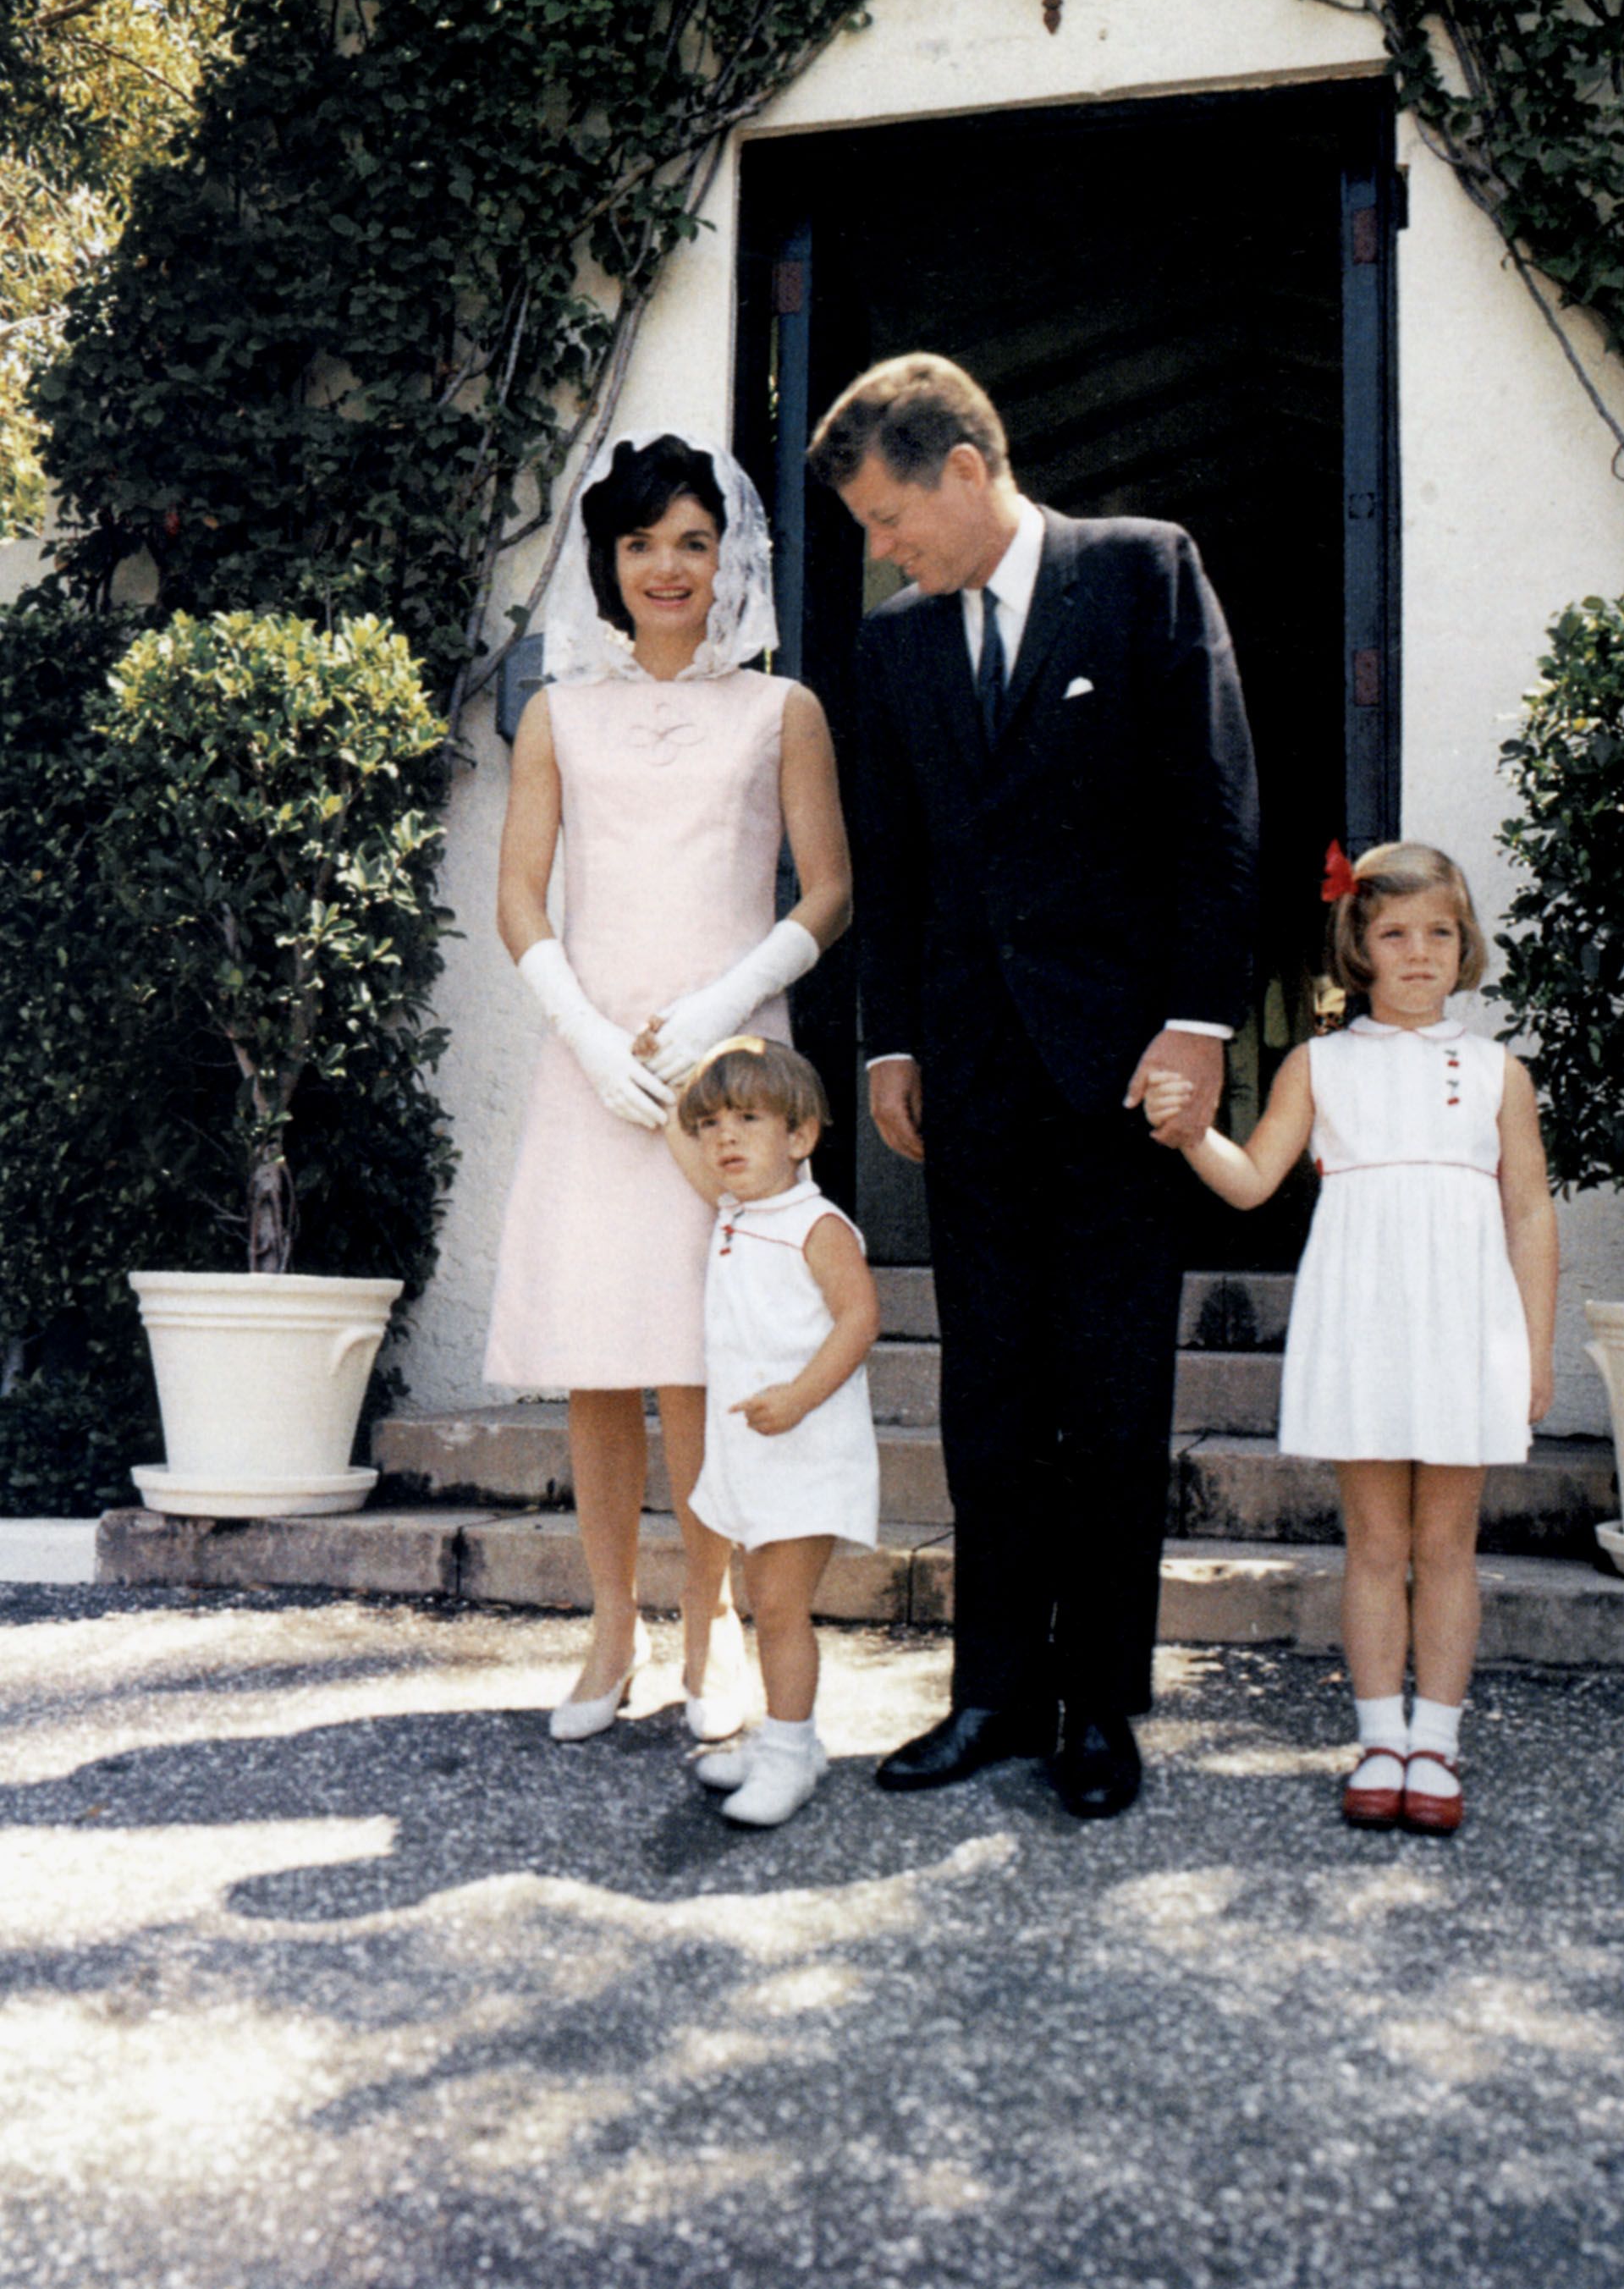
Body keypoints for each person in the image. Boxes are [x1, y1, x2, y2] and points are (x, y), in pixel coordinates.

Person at [811, 351, 1258, 1821]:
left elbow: (1215, 812)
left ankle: (1097, 1710)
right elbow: (901, 856)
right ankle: (994, 1693)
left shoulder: (1141, 573)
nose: (881, 552)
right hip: (972, 1071)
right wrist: (888, 1040)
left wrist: (1200, 1024)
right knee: (989, 1392)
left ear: (962, 468)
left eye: (886, 518)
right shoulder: (894, 647)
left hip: (1126, 1069)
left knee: (1112, 1395)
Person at [487, 431, 851, 1744]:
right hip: (600, 1065)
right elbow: (520, 897)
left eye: (692, 542)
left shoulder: (779, 710)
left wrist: (716, 1008)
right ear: (610, 560)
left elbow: (829, 889)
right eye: (642, 543)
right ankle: (607, 1630)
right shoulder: (558, 714)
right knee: (602, 1355)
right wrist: (586, 1034)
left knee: (708, 1350)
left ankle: (710, 1635)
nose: (667, 566)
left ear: (729, 556)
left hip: (730, 1069)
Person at [1145, 841, 1557, 1837]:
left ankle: (1439, 1744)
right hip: (1366, 1318)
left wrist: (1534, 1349)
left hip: (1464, 1322)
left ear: (1466, 947)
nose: (1419, 953)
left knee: (1447, 1544)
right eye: (1395, 934)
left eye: (1440, 934)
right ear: (1359, 948)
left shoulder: (1499, 1072)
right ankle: (1380, 1737)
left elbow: (1532, 1214)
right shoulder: (1319, 1064)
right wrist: (1191, 1130)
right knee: (1375, 1543)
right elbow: (1251, 1181)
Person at [658, 1036, 880, 1826]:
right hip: (753, 1452)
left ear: (801, 1135)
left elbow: (859, 1320)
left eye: (748, 1119)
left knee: (782, 1605)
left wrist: (799, 1397)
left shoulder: (815, 1225)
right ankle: (787, 1737)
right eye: (713, 1122)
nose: (724, 1138)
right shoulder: (736, 1213)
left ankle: (789, 1756)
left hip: (806, 1445)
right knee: (761, 1598)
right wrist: (697, 1060)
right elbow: (676, 1125)